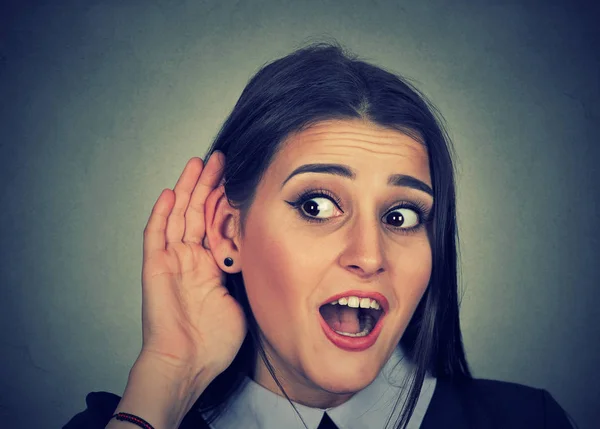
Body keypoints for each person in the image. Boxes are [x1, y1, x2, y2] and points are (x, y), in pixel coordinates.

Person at [63, 41, 577, 429]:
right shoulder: (132, 420)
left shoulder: (529, 420)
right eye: (317, 205)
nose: (370, 255)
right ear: (228, 232)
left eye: (401, 216)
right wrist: (171, 374)